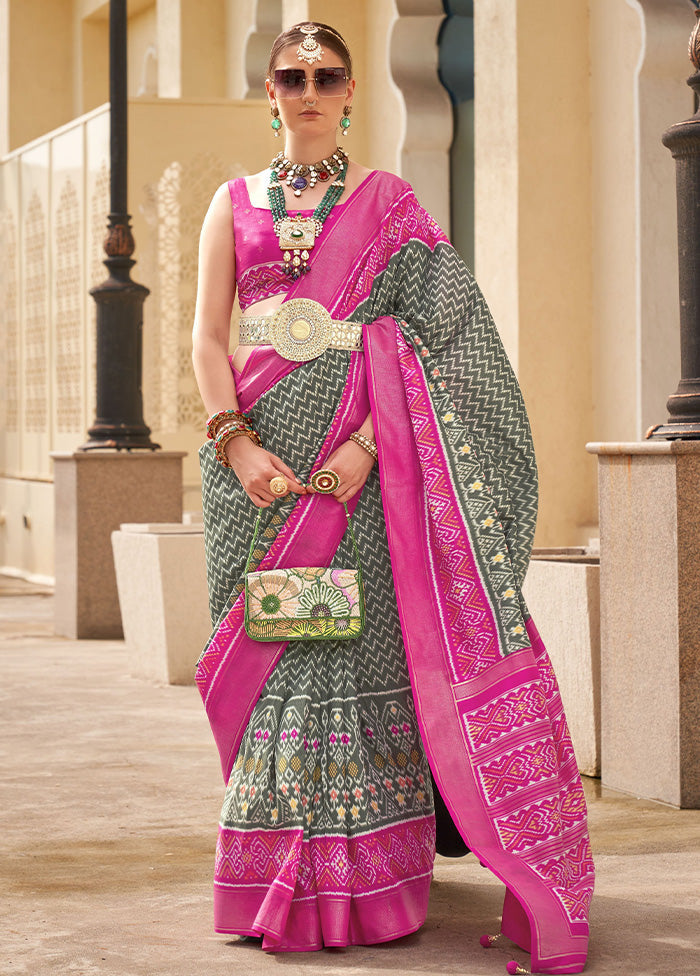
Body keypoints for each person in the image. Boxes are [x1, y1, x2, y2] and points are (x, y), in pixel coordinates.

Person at [192, 21, 593, 973]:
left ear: (351, 90)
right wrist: (236, 441)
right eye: (292, 76)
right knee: (275, 654)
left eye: (326, 76)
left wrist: (372, 448)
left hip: (360, 475)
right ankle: (274, 872)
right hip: (256, 471)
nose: (309, 91)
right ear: (271, 90)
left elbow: (448, 340)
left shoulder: (389, 204)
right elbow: (210, 338)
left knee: (342, 659)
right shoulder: (231, 202)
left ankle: (364, 887)